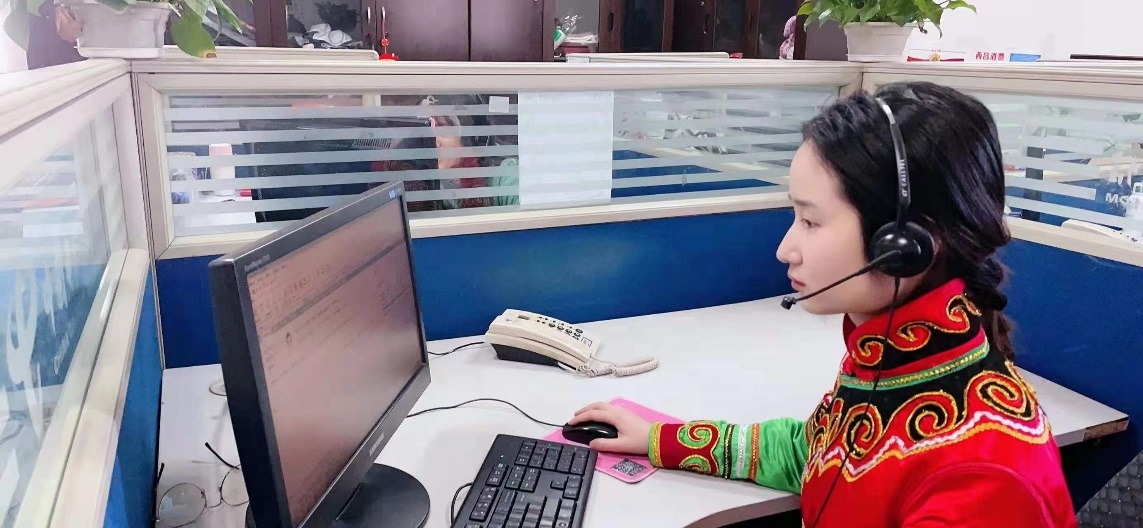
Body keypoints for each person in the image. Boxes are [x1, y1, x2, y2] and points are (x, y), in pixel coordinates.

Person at [568, 82, 1078, 527]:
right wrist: (663, 439)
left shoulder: (981, 477)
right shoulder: (890, 362)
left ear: (905, 244)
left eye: (810, 221)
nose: (785, 249)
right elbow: (814, 452)